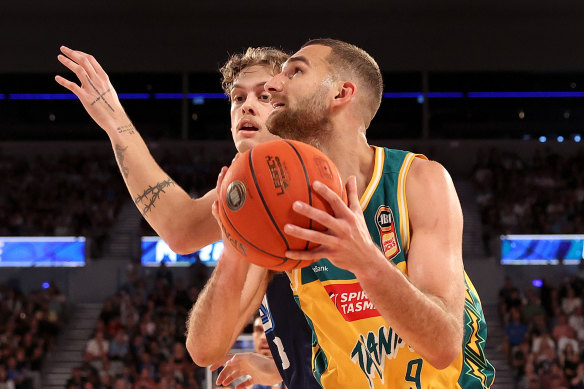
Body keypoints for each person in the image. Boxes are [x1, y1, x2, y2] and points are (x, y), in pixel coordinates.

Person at [190, 39, 495, 388]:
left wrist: (365, 261)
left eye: (296, 71)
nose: (273, 84)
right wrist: (233, 245)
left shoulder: (417, 181)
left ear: (340, 93)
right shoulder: (284, 207)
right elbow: (205, 349)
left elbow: (442, 346)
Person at [55, 45, 319, 389]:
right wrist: (113, 119)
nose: (247, 106)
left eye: (265, 96)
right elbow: (181, 227)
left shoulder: (323, 178)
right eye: (238, 98)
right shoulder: (255, 187)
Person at [213, 315, 285, 389]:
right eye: (259, 330)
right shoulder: (240, 375)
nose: (263, 337)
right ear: (253, 336)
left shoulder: (292, 374)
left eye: (270, 331)